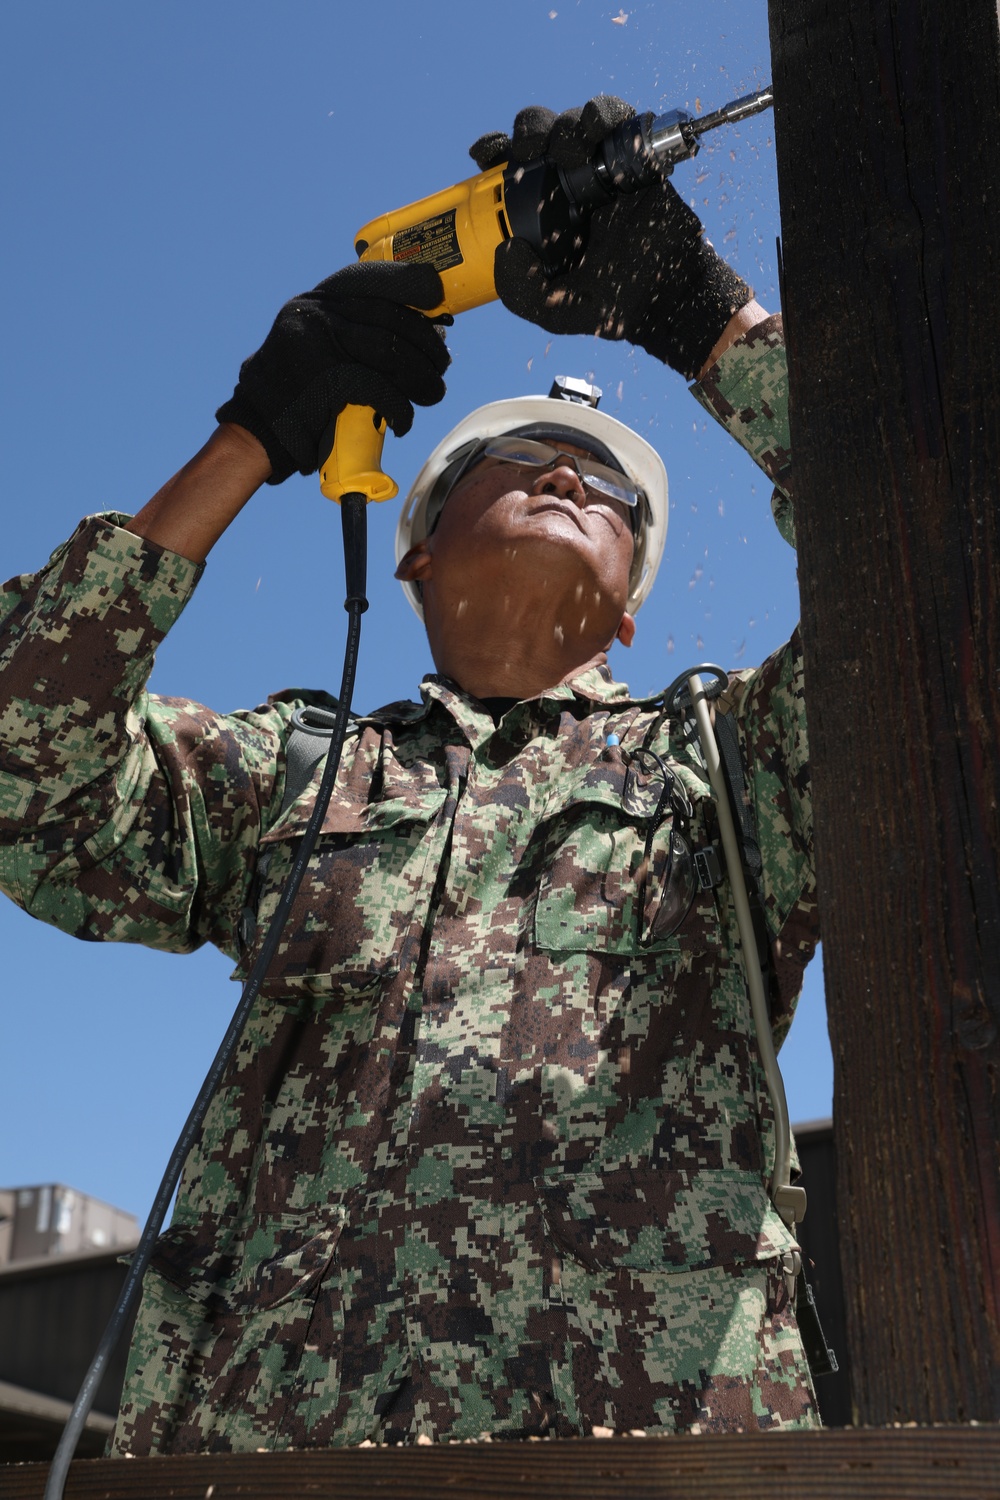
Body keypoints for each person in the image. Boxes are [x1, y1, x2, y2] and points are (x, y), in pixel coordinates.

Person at [0, 96, 815, 1451]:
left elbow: (947, 554)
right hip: (278, 1460)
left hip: (656, 1461)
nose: (569, 470)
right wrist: (253, 438)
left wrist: (706, 322)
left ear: (628, 615)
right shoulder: (293, 775)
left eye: (610, 491)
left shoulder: (737, 765)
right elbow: (21, 767)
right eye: (521, 460)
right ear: (414, 552)